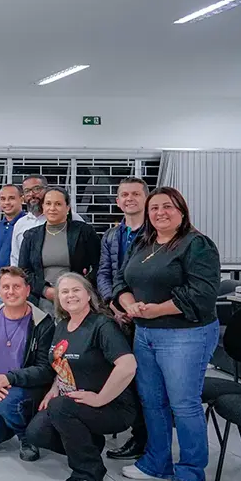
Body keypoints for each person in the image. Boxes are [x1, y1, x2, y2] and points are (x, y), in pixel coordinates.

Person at [113, 187, 221, 481]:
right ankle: (156, 462)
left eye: (168, 207)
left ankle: (191, 472)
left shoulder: (197, 245)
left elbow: (200, 295)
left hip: (185, 334)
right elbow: (121, 279)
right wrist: (130, 304)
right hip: (145, 332)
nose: (160, 212)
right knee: (151, 400)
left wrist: (155, 310)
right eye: (154, 208)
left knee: (183, 404)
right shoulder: (143, 242)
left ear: (182, 211)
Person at [25, 273, 138, 481]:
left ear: (88, 295)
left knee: (59, 407)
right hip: (75, 402)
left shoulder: (102, 325)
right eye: (64, 292)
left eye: (76, 290)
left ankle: (90, 470)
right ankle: (90, 443)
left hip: (112, 406)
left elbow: (128, 365)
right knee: (35, 433)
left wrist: (100, 398)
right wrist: (54, 388)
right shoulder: (62, 325)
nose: (70, 295)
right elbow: (62, 363)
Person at [0, 266, 55, 461]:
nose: (11, 291)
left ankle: (27, 435)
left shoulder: (43, 323)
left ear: (27, 290)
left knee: (8, 400)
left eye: (17, 286)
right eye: (5, 287)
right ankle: (11, 420)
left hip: (27, 389)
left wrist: (8, 378)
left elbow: (45, 369)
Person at [98, 176, 149, 461]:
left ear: (146, 198)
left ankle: (145, 439)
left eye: (135, 194)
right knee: (124, 377)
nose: (129, 199)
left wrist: (135, 307)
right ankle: (135, 432)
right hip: (118, 315)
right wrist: (112, 304)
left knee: (145, 381)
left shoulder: (155, 233)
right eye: (124, 195)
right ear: (117, 201)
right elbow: (104, 273)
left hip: (147, 314)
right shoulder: (111, 235)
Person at [17, 187, 101, 315]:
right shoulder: (31, 236)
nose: (52, 208)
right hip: (41, 299)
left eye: (58, 204)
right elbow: (24, 270)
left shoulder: (84, 232)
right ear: (43, 207)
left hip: (76, 298)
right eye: (48, 203)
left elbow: (99, 265)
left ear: (67, 208)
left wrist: (81, 286)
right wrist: (45, 290)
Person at [9, 175, 85, 268]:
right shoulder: (20, 224)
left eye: (37, 189)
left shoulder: (68, 216)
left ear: (47, 190)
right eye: (27, 191)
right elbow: (15, 259)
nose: (32, 194)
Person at [0, 184, 26, 269]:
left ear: (22, 199)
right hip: (2, 276)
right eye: (3, 199)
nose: (7, 202)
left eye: (11, 198)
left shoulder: (27, 224)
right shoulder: (1, 225)